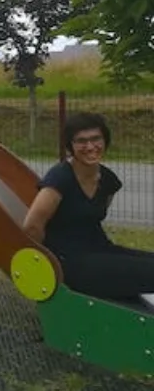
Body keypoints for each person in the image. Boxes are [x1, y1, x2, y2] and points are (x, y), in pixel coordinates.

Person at [23, 112, 154, 302]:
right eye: (81, 141)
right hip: (68, 263)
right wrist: (45, 269)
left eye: (96, 139)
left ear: (105, 140)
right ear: (70, 146)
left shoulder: (108, 181)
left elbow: (94, 219)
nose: (90, 146)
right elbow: (32, 226)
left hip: (100, 251)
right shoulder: (60, 179)